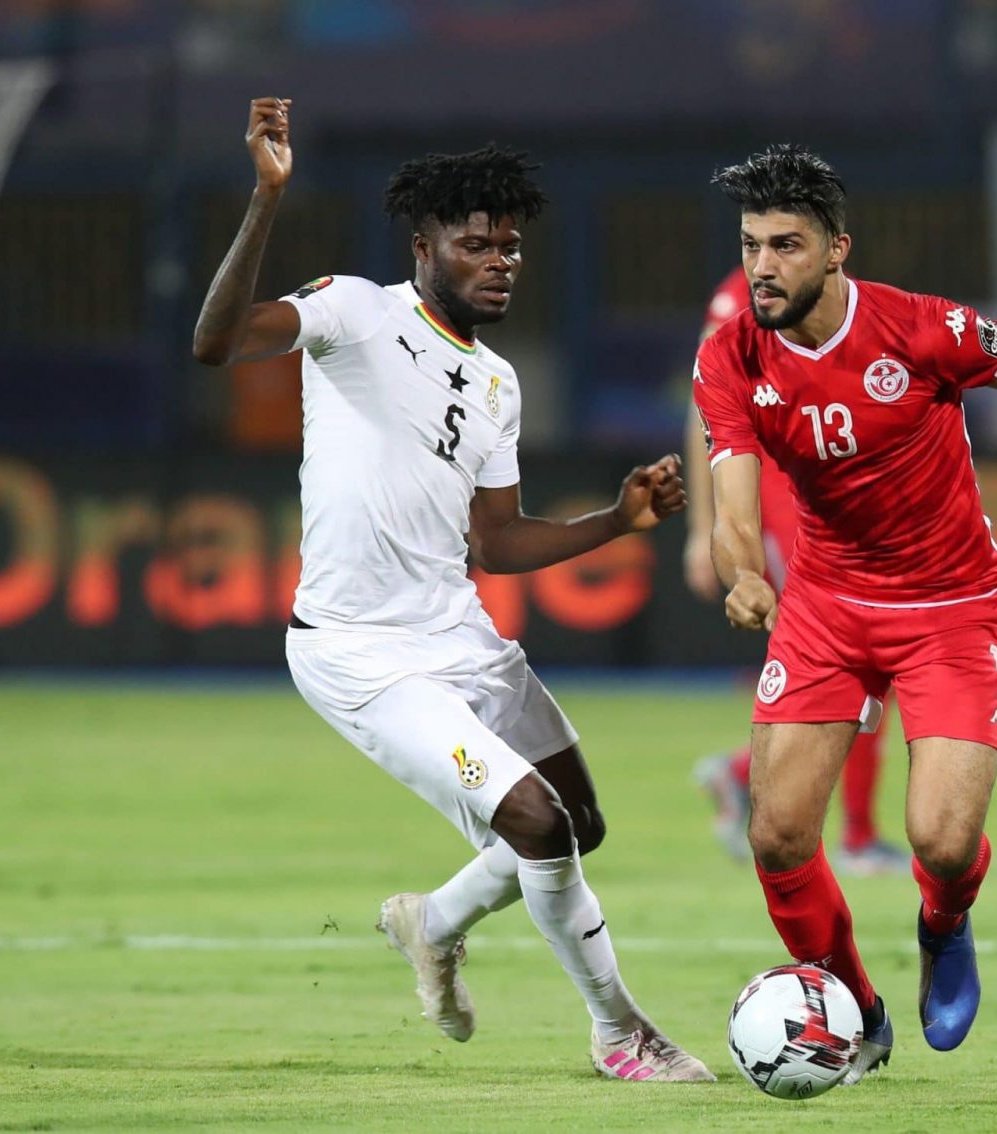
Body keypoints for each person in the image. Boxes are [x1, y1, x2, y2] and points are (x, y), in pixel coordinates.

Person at [192, 97, 715, 1081]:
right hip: (358, 651)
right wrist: (266, 198)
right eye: (476, 244)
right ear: (424, 245)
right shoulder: (355, 309)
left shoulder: (498, 384)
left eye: (510, 246)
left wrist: (616, 520)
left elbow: (498, 542)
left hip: (458, 636)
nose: (500, 261)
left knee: (579, 825)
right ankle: (620, 1034)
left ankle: (432, 922)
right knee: (535, 824)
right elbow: (216, 343)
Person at [692, 144, 997, 1082]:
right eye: (750, 246)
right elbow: (735, 512)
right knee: (777, 835)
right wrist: (743, 574)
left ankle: (945, 922)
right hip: (826, 605)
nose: (762, 268)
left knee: (942, 842)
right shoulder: (730, 354)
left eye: (786, 246)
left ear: (837, 250)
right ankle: (856, 1012)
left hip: (953, 607)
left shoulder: (921, 329)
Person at [683, 267, 909, 875]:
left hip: (832, 500)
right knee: (852, 662)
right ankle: (855, 835)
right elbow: (705, 411)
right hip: (780, 505)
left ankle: (746, 775)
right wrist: (705, 528)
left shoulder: (843, 293)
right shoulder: (740, 297)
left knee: (863, 666)